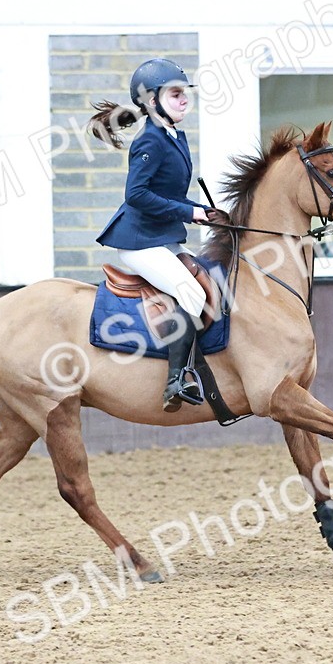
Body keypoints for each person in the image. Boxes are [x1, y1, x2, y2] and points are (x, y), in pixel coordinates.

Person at [87, 58, 225, 412]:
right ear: (152, 101)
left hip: (161, 237)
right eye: (175, 94)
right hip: (138, 242)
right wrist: (190, 212)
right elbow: (136, 195)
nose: (184, 100)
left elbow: (172, 197)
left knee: (209, 285)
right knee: (193, 295)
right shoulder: (149, 140)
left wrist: (203, 212)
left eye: (184, 94)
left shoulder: (174, 136)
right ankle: (175, 381)